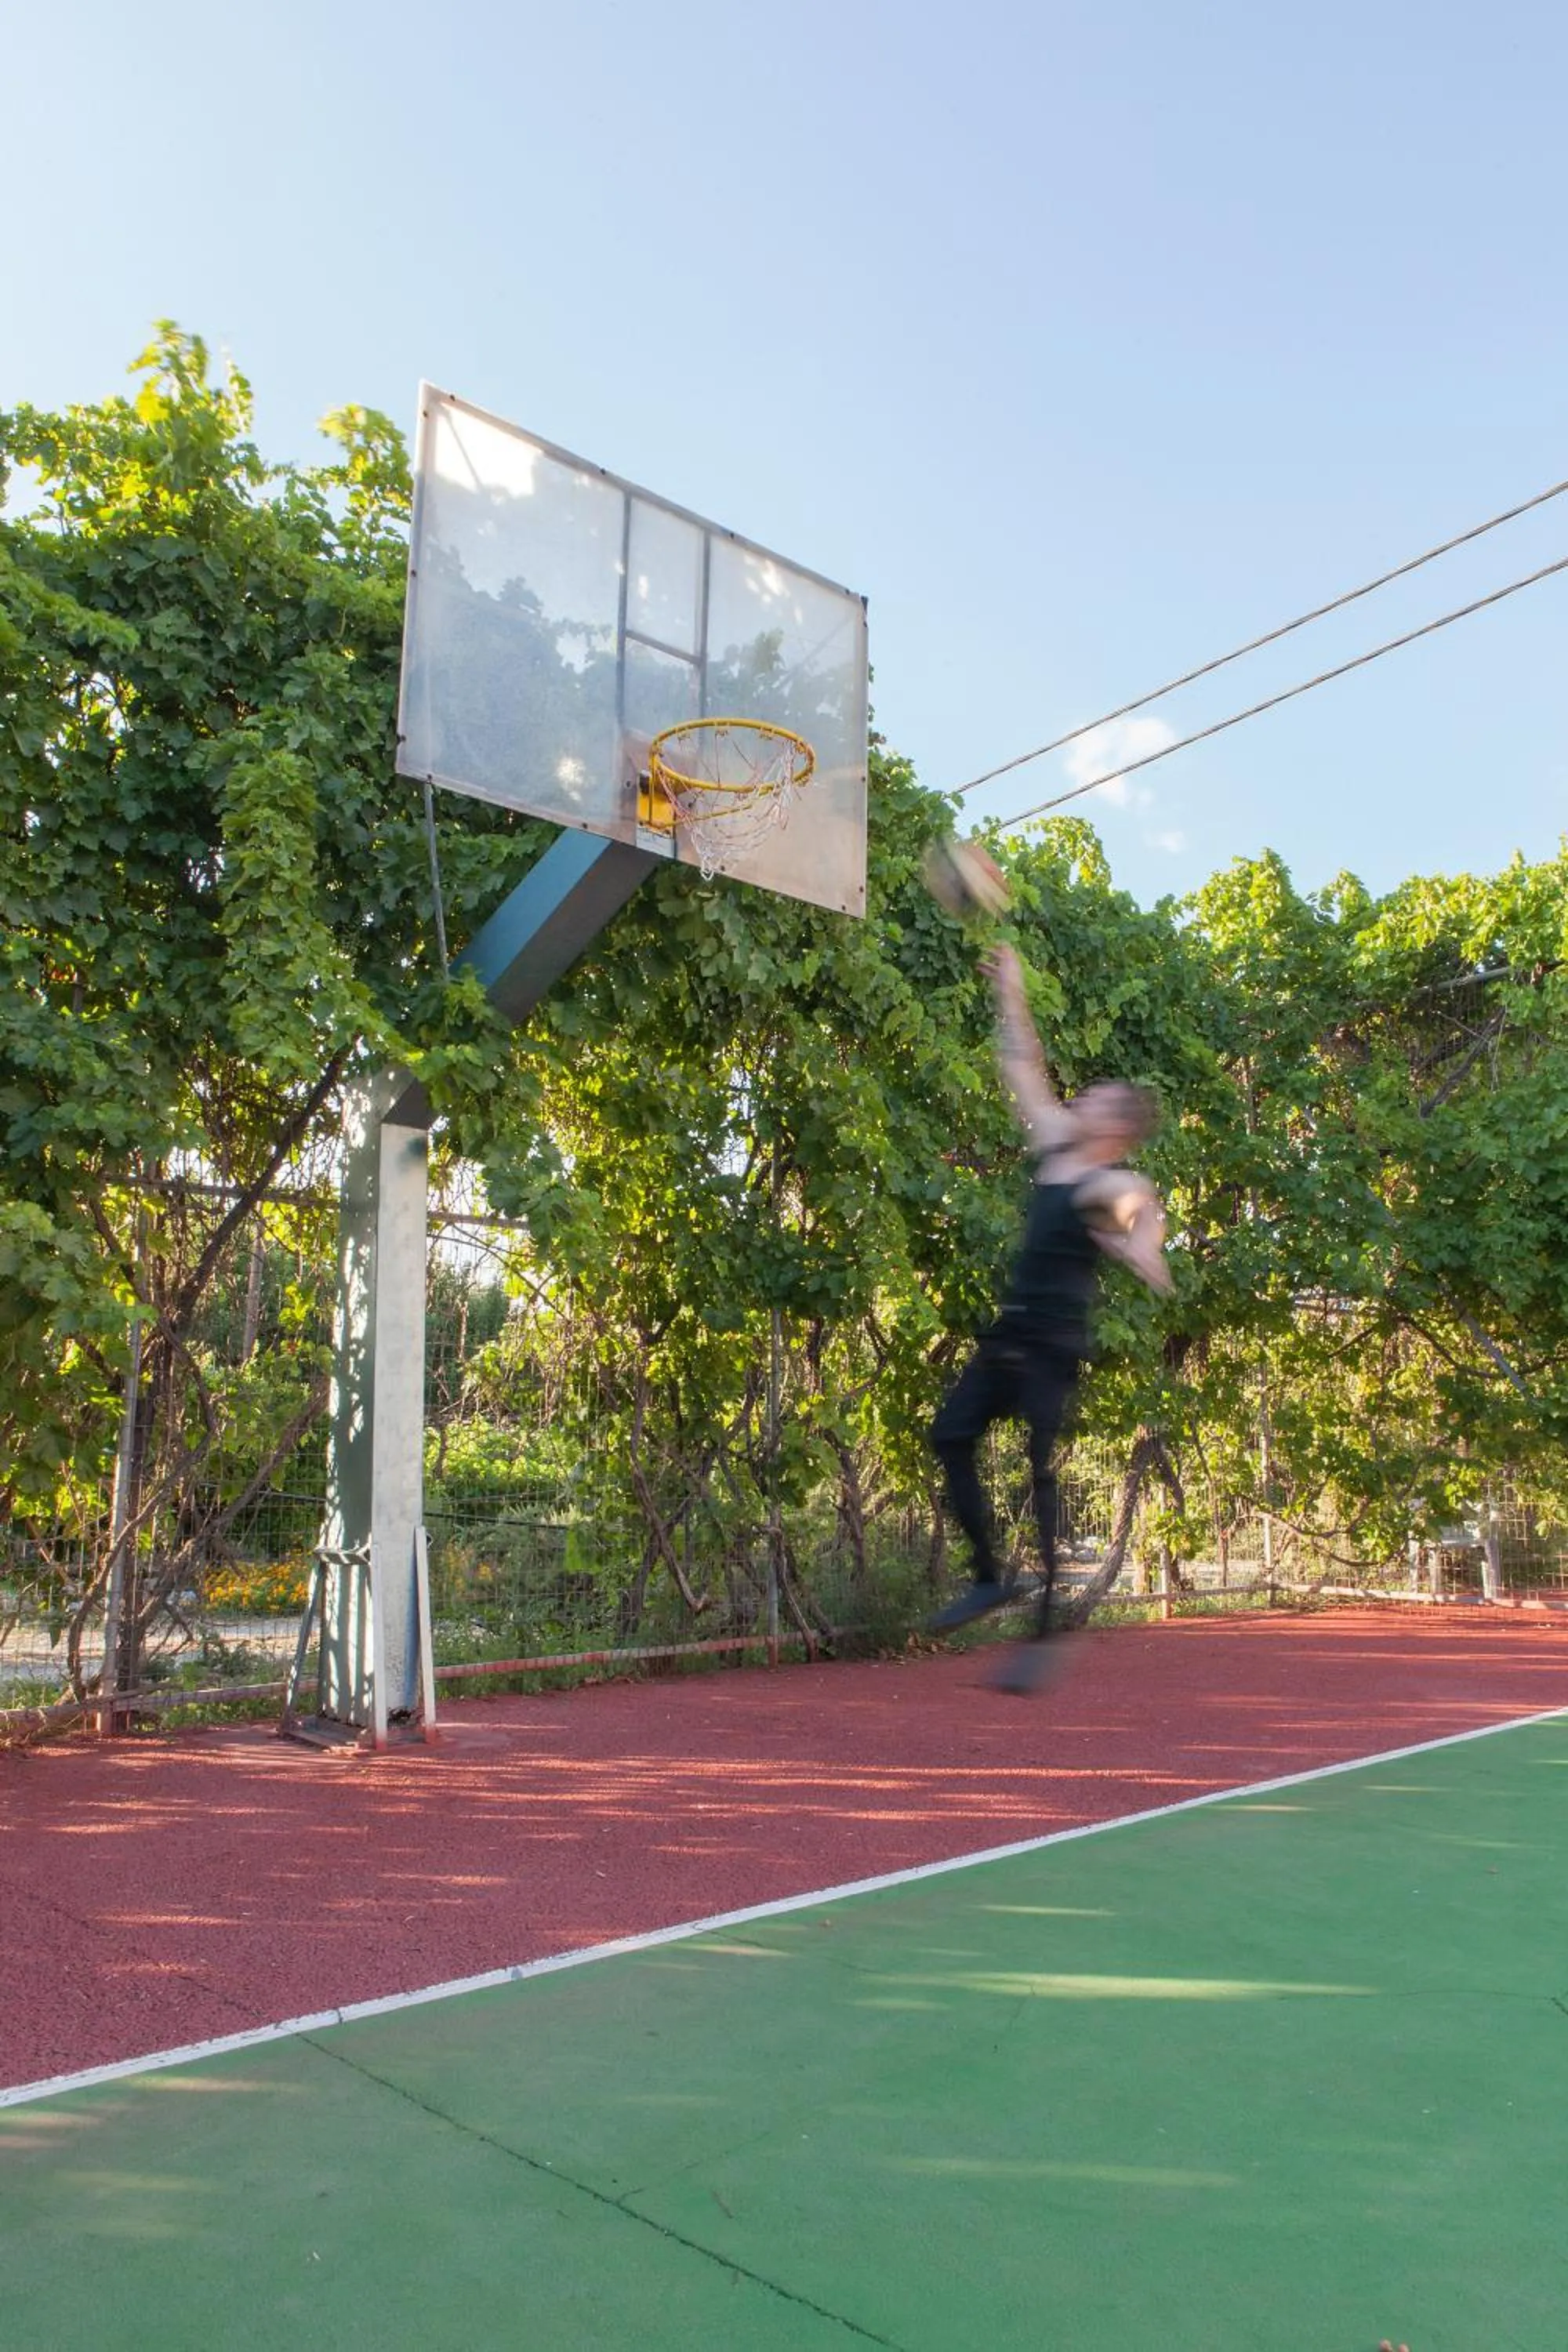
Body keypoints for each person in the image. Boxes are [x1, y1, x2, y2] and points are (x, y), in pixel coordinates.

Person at [929, 942, 1171, 1690]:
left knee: (1039, 1466)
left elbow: (1142, 1211)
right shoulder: (1053, 1147)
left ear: (1116, 1125)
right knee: (950, 1435)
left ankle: (1040, 1640)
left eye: (1093, 1096)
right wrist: (1012, 988)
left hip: (1054, 1344)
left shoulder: (1111, 1177)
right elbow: (1023, 1066)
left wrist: (1140, 1248)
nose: (1078, 1097)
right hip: (1011, 1330)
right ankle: (989, 1578)